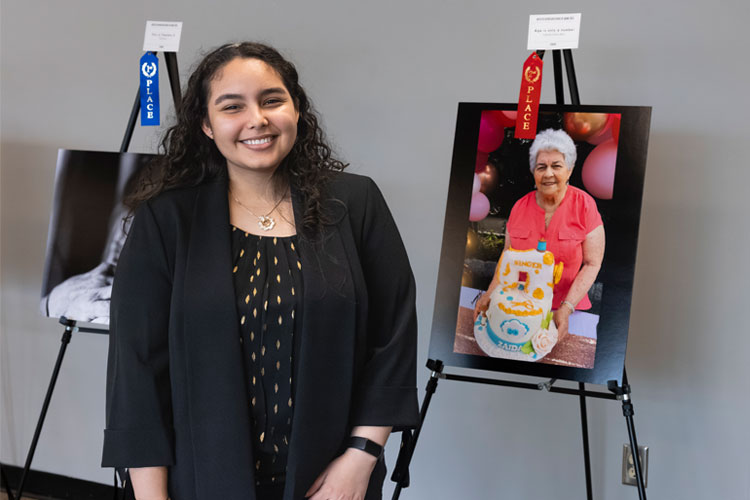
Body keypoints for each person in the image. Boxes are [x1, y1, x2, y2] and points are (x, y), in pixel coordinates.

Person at [102, 42, 419, 500]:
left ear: (296, 109)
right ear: (207, 125)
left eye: (272, 100)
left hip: (331, 478)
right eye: (233, 106)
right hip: (200, 480)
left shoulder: (354, 203)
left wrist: (361, 458)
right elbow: (135, 373)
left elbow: (392, 337)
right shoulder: (166, 219)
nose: (258, 119)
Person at [473, 128, 605, 343]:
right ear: (534, 172)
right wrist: (489, 293)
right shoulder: (519, 207)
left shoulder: (585, 205)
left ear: (569, 170)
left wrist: (566, 308)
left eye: (556, 166)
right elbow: (507, 256)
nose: (548, 174)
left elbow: (592, 263)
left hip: (567, 311)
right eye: (541, 167)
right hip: (520, 309)